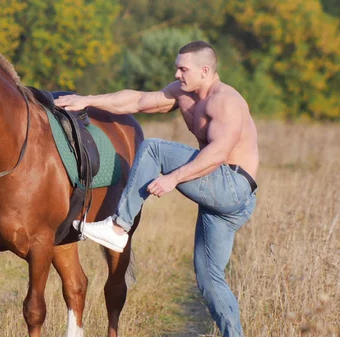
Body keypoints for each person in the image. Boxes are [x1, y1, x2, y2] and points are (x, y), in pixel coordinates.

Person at [54, 40, 258, 337]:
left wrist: (173, 178)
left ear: (205, 70)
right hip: (223, 200)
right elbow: (136, 101)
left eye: (182, 68)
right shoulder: (184, 94)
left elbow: (217, 153)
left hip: (232, 184)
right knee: (208, 279)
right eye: (177, 67)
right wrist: (88, 100)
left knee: (152, 149)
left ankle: (119, 227)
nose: (176, 73)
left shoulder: (225, 101)